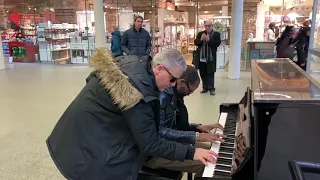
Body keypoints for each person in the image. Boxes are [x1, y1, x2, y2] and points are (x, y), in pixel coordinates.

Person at [46, 48, 218, 180]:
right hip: (87, 151)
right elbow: (150, 143)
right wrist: (192, 152)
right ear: (159, 69)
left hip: (79, 139)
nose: (173, 85)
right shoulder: (137, 93)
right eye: (173, 79)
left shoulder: (136, 66)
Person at [145, 65, 224, 173]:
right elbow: (161, 131)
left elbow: (175, 125)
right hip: (156, 153)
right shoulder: (163, 97)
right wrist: (196, 136)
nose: (189, 94)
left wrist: (197, 127)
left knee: (214, 150)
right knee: (210, 163)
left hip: (170, 143)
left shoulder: (175, 96)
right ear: (181, 82)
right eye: (190, 90)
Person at [192, 20, 221, 96]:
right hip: (201, 58)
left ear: (212, 26)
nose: (207, 27)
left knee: (210, 73)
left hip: (210, 58)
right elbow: (196, 42)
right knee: (203, 73)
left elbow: (217, 44)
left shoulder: (216, 34)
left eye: (209, 25)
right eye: (206, 26)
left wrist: (208, 40)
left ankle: (211, 89)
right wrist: (201, 39)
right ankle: (205, 88)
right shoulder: (201, 33)